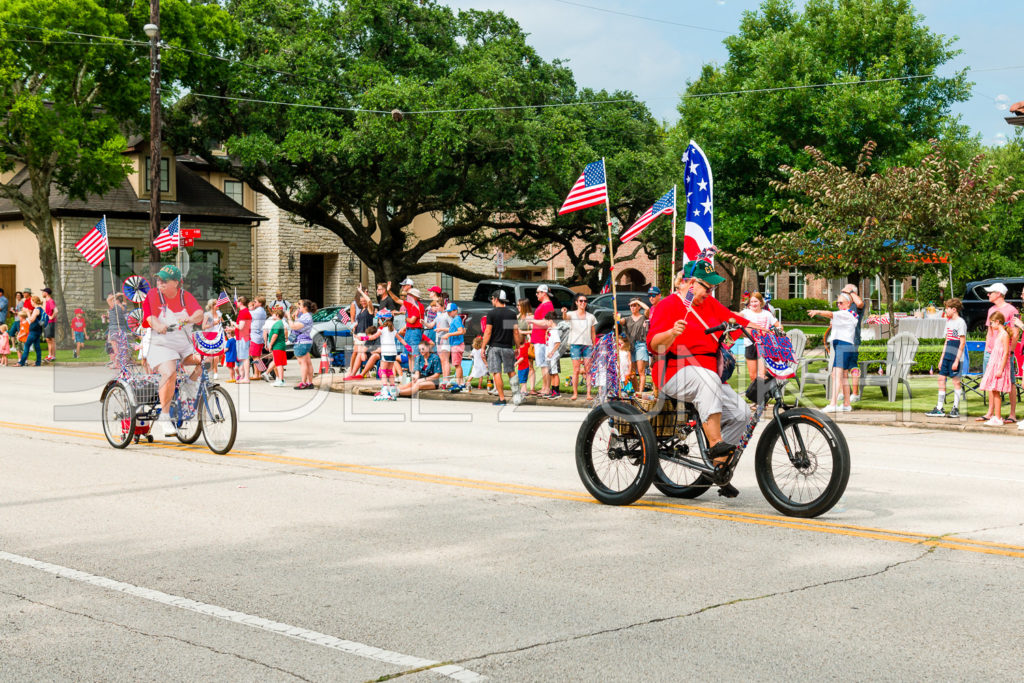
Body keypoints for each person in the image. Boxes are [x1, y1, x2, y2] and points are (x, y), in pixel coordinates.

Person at [647, 260, 749, 498]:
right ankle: (715, 445)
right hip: (672, 373)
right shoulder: (668, 305)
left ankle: (719, 469)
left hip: (706, 376)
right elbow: (653, 343)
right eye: (707, 287)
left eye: (712, 288)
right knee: (708, 379)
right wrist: (672, 332)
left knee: (741, 412)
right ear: (690, 283)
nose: (710, 292)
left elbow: (736, 321)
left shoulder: (710, 304)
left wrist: (766, 328)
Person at [141, 265, 204, 437]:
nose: (159, 282)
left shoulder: (186, 296)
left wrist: (190, 318)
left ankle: (187, 388)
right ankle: (165, 415)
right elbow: (150, 317)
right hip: (161, 345)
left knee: (205, 361)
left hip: (184, 346)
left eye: (164, 280)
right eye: (158, 279)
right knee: (169, 372)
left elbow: (199, 313)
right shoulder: (154, 294)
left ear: (176, 283)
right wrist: (159, 325)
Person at [808, 293, 858, 413]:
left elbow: (830, 314)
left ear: (848, 303)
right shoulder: (845, 314)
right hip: (843, 345)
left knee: (836, 374)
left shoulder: (846, 313)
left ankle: (833, 403)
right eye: (837, 303)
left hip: (843, 345)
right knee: (843, 375)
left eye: (841, 303)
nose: (839, 305)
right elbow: (832, 318)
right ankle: (846, 404)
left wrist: (817, 311)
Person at [980, 283, 1019, 424]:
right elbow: (989, 332)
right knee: (991, 382)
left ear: (999, 294)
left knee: (1011, 382)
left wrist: (1010, 351)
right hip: (990, 352)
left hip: (1004, 353)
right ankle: (991, 413)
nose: (988, 295)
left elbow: (1015, 332)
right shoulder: (991, 310)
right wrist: (987, 348)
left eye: (990, 292)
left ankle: (1012, 414)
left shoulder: (1012, 310)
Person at [926, 298, 967, 419]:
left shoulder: (961, 322)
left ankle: (955, 408)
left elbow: (962, 343)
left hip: (955, 356)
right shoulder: (948, 322)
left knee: (955, 381)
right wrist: (941, 358)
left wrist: (956, 360)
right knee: (941, 379)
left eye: (947, 309)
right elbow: (947, 341)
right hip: (947, 356)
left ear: (954, 310)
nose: (945, 311)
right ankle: (939, 408)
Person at [481, 289, 521, 406]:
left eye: (492, 299)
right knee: (511, 372)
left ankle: (502, 399)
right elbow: (515, 332)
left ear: (496, 299)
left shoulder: (492, 313)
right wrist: (517, 346)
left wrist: (483, 347)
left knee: (496, 372)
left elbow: (488, 332)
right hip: (508, 347)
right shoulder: (511, 313)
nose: (492, 301)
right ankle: (517, 397)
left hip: (495, 347)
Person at [980, 311, 1012, 427]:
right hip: (994, 364)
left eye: (992, 323)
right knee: (993, 390)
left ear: (998, 322)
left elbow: (1005, 354)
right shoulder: (999, 334)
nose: (991, 325)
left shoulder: (1004, 335)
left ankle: (998, 417)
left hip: (999, 366)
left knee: (996, 390)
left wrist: (1000, 369)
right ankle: (996, 416)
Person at [743, 292, 783, 380]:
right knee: (752, 376)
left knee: (762, 375)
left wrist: (776, 332)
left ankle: (763, 392)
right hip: (750, 345)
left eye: (755, 301)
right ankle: (756, 393)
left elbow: (778, 325)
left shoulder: (767, 314)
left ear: (761, 302)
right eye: (751, 302)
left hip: (763, 346)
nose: (753, 304)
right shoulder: (745, 313)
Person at [565, 294, 597, 400]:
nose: (583, 303)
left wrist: (594, 345)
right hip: (575, 344)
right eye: (581, 301)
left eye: (585, 301)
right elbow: (565, 318)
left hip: (587, 345)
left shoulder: (590, 316)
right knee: (576, 370)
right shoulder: (571, 314)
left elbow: (593, 333)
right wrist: (564, 312)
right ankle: (575, 393)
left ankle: (588, 394)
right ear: (576, 302)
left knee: (588, 370)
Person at [621, 298, 649, 395]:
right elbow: (620, 321)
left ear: (639, 306)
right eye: (631, 306)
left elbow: (648, 309)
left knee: (641, 370)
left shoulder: (643, 317)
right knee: (632, 373)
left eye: (635, 305)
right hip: (630, 346)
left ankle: (640, 393)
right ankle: (637, 392)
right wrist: (617, 319)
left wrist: (638, 302)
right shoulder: (628, 319)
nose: (632, 307)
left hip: (641, 344)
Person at [842, 284, 865, 402]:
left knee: (852, 366)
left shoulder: (857, 305)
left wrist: (851, 292)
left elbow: (860, 303)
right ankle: (844, 391)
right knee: (841, 367)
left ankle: (855, 394)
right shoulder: (846, 305)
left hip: (852, 340)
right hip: (842, 339)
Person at [287, 299, 317, 390]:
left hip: (302, 342)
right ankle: (309, 382)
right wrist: (295, 317)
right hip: (306, 341)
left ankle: (303, 383)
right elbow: (299, 326)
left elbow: (294, 327)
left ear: (305, 307)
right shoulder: (305, 316)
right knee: (308, 362)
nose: (297, 306)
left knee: (302, 363)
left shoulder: (305, 317)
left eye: (299, 304)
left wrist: (288, 317)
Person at [530, 284, 555, 398]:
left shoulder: (547, 306)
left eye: (538, 292)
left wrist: (532, 320)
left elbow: (546, 323)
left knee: (544, 364)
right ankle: (545, 387)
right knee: (542, 364)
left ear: (544, 293)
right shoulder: (543, 305)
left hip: (542, 338)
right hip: (538, 338)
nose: (536, 294)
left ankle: (547, 388)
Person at [442, 303, 465, 388]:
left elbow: (461, 331)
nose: (449, 313)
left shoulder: (456, 319)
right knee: (458, 364)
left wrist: (449, 335)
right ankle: (461, 383)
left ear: (455, 311)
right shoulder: (456, 319)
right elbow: (464, 330)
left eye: (450, 311)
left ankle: (458, 383)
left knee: (457, 365)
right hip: (457, 344)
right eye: (447, 312)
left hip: (457, 344)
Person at [17, 296, 44, 366]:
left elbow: (32, 320)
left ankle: (21, 363)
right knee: (37, 347)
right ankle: (38, 362)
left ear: (34, 302)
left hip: (33, 331)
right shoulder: (40, 308)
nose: (31, 303)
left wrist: (27, 312)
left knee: (26, 345)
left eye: (31, 301)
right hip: (38, 330)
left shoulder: (36, 309)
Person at [516, 299, 536, 393]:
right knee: (522, 364)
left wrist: (522, 332)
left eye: (519, 305)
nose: (517, 307)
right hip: (519, 343)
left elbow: (534, 331)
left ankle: (531, 388)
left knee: (530, 366)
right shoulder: (518, 317)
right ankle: (524, 387)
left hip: (528, 343)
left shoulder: (530, 317)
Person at [402, 287, 425, 367]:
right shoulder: (410, 305)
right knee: (409, 353)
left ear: (414, 297)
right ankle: (411, 372)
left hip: (415, 331)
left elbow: (412, 320)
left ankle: (415, 372)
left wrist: (405, 318)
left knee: (414, 353)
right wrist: (389, 291)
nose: (408, 296)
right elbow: (397, 300)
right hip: (409, 330)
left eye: (410, 295)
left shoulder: (418, 306)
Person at [265, 308, 288, 387]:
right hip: (279, 346)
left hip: (277, 346)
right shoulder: (280, 323)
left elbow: (275, 335)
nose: (272, 315)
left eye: (273, 314)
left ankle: (281, 380)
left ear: (277, 315)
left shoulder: (278, 323)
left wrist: (270, 344)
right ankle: (280, 379)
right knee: (278, 362)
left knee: (279, 363)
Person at [202, 299, 225, 378]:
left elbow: (222, 322)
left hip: (219, 334)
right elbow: (203, 327)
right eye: (216, 304)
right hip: (211, 335)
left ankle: (212, 369)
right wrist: (213, 324)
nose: (218, 305)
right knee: (213, 355)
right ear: (212, 306)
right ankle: (214, 372)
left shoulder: (219, 313)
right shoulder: (207, 314)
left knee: (220, 355)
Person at [544, 309, 562, 400]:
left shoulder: (555, 330)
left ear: (550, 321)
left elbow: (558, 343)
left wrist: (552, 352)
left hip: (553, 356)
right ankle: (553, 390)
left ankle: (556, 391)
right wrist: (546, 334)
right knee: (551, 373)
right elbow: (547, 341)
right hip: (549, 356)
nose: (546, 323)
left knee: (554, 373)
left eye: (546, 321)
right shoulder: (551, 330)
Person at [234, 296, 252, 383]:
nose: (236, 303)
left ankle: (246, 378)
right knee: (243, 358)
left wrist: (234, 324)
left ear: (240, 302)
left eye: (237, 301)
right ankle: (243, 376)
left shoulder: (243, 312)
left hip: (243, 337)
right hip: (242, 337)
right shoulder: (244, 312)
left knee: (245, 358)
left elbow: (241, 327)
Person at [249, 296, 267, 377]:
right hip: (259, 336)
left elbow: (247, 314)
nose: (254, 303)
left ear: (260, 303)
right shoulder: (262, 311)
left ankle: (258, 373)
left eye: (255, 302)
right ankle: (259, 373)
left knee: (255, 356)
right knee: (257, 356)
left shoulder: (258, 312)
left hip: (255, 336)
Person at [40, 287, 57, 362]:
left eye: (43, 292)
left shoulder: (50, 301)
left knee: (51, 339)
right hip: (48, 322)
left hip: (51, 322)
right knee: (49, 339)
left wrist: (51, 317)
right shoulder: (47, 301)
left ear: (46, 293)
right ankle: (51, 355)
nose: (42, 293)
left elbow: (56, 311)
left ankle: (52, 356)